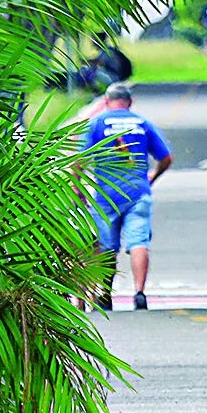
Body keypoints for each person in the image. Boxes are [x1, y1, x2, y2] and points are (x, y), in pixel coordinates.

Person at [84, 82, 172, 311]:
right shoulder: (141, 123)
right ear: (130, 102)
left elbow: (79, 160)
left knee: (106, 246)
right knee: (138, 241)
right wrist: (152, 176)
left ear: (106, 101)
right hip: (137, 191)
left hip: (106, 194)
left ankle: (104, 293)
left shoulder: (96, 123)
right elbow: (166, 158)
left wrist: (78, 191)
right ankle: (139, 292)